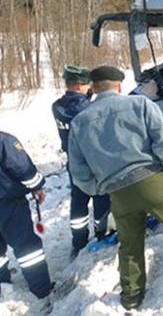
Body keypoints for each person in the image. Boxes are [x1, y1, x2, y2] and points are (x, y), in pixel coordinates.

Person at [68, 66, 163, 310]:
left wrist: (100, 189)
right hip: (154, 180)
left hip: (119, 193)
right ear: (118, 86)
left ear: (93, 89)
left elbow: (79, 171)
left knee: (130, 245)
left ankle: (132, 296)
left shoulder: (79, 123)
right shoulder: (139, 104)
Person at [51, 66, 111, 258]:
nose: (90, 87)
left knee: (78, 202)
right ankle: (102, 235)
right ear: (79, 86)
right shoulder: (89, 109)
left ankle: (78, 242)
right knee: (101, 199)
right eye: (87, 85)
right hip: (94, 163)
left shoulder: (57, 107)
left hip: (73, 163)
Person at [0, 131, 53, 299]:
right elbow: (22, 168)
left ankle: (2, 282)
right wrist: (37, 186)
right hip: (8, 203)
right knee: (27, 247)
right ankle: (42, 289)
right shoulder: (4, 140)